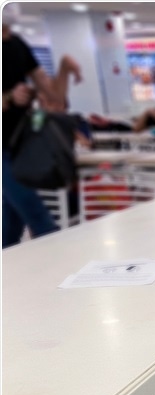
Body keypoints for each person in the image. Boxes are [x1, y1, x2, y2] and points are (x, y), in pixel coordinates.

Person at [2, 24, 79, 248]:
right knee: (39, 217)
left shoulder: (17, 44)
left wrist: (64, 68)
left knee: (11, 223)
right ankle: (61, 263)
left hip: (20, 145)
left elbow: (55, 97)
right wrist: (8, 97)